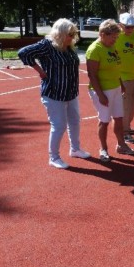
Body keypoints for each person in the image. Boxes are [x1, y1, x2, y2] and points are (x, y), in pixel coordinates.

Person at [18, 18, 90, 169]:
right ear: (60, 33)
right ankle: (54, 157)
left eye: (73, 33)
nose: (72, 37)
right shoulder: (47, 45)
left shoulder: (68, 47)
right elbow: (23, 53)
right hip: (53, 92)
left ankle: (75, 149)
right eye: (69, 34)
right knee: (59, 125)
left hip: (70, 92)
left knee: (75, 121)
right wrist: (40, 71)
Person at [86, 19, 134, 162]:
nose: (115, 40)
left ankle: (121, 145)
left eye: (116, 37)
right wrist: (101, 95)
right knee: (104, 121)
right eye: (113, 37)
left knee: (119, 118)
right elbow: (92, 75)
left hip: (115, 88)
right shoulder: (95, 49)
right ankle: (103, 149)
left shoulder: (111, 46)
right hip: (102, 90)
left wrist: (121, 83)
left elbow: (115, 66)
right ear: (103, 34)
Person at [117, 13, 134, 144]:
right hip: (123, 77)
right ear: (120, 25)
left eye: (132, 26)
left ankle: (127, 126)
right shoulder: (116, 36)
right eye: (127, 27)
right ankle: (124, 132)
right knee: (125, 106)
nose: (130, 29)